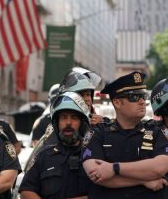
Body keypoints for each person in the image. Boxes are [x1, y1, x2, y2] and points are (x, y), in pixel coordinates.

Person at [82, 71, 168, 199]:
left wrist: (114, 168)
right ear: (117, 102)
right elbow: (95, 174)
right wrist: (143, 180)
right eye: (134, 97)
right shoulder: (98, 132)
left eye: (143, 96)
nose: (142, 102)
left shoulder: (157, 130)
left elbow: (160, 167)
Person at [19, 92, 92, 199]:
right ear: (56, 124)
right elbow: (26, 191)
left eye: (74, 117)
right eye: (63, 117)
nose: (68, 123)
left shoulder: (93, 154)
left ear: (82, 124)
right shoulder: (43, 156)